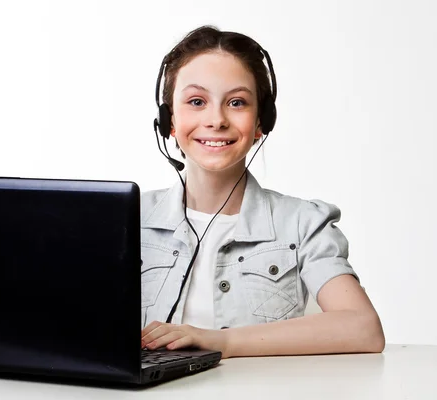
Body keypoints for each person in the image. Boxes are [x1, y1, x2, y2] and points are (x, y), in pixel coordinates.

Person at [139, 25, 385, 359]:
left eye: (237, 102)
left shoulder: (302, 223)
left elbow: (363, 329)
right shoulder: (126, 221)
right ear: (168, 119)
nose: (216, 119)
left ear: (261, 122)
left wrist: (220, 342)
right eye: (196, 101)